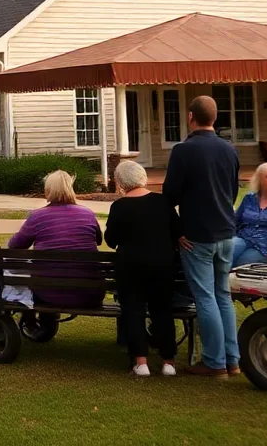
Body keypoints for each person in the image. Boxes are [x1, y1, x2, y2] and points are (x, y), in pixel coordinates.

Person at [162, 95, 241, 378]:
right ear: (215, 118)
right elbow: (233, 191)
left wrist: (177, 229)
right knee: (223, 295)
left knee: (205, 297)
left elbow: (169, 195)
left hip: (198, 235)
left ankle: (214, 362)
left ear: (190, 117)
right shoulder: (229, 150)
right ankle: (232, 360)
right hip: (226, 233)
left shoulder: (184, 150)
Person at [104, 160, 179, 377]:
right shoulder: (163, 202)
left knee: (133, 310)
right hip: (163, 263)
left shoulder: (119, 207)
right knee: (162, 310)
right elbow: (176, 232)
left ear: (120, 182)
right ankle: (168, 362)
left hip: (131, 265)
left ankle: (141, 362)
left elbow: (111, 240)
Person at [7, 170, 104, 308]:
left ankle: (42, 324)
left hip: (47, 293)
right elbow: (98, 240)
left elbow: (15, 246)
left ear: (48, 191)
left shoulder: (37, 216)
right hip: (89, 292)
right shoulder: (87, 214)